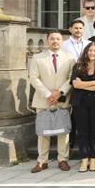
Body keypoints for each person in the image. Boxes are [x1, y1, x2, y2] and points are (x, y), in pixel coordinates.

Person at [28, 30, 76, 173]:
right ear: (48, 41)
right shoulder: (37, 58)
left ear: (62, 41)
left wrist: (59, 92)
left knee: (63, 131)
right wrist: (48, 94)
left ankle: (63, 160)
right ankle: (42, 161)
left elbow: (71, 78)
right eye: (52, 39)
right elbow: (33, 78)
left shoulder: (70, 58)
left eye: (58, 39)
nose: (55, 41)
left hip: (62, 98)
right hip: (43, 100)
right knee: (43, 132)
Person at [69, 42, 95, 172]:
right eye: (90, 51)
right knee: (82, 132)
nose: (92, 53)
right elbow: (75, 85)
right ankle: (84, 159)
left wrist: (83, 84)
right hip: (80, 103)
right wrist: (93, 82)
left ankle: (93, 159)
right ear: (86, 52)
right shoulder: (78, 66)